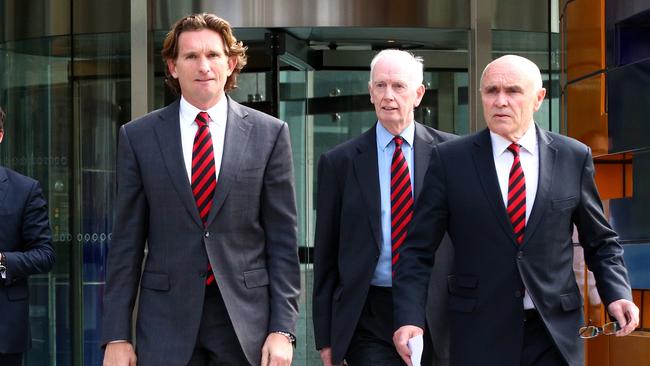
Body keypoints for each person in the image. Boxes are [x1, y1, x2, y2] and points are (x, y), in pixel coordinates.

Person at [392, 55, 640, 366]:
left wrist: (617, 293)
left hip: (554, 331)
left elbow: (600, 241)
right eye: (491, 91)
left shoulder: (572, 156)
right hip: (480, 329)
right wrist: (408, 318)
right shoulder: (450, 160)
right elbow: (417, 250)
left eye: (512, 91)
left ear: (538, 99)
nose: (500, 101)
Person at [101, 13, 300, 366]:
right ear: (173, 66)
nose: (203, 65)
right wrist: (117, 336)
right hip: (165, 324)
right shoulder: (139, 137)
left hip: (245, 325)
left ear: (232, 62)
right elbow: (126, 243)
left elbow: (283, 242)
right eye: (191, 56)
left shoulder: (269, 134)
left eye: (213, 55)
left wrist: (282, 330)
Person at [313, 49, 456, 366]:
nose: (388, 96)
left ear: (418, 94)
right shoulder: (339, 162)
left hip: (438, 308)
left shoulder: (452, 155)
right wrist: (326, 337)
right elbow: (325, 253)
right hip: (370, 311)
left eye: (398, 86)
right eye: (380, 86)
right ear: (370, 92)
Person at [0, 106, 56, 366]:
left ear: (0, 135)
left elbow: (44, 255)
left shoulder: (25, 189)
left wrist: (2, 262)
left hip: (4, 332)